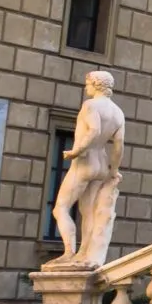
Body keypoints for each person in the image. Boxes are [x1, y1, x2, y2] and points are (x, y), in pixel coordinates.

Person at [50, 71, 126, 268]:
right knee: (88, 212)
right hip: (101, 163)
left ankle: (69, 252)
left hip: (84, 161)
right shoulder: (118, 113)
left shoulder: (90, 105)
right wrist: (114, 170)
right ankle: (86, 252)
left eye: (88, 84)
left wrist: (76, 151)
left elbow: (94, 130)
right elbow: (118, 146)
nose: (86, 88)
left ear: (95, 84)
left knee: (61, 208)